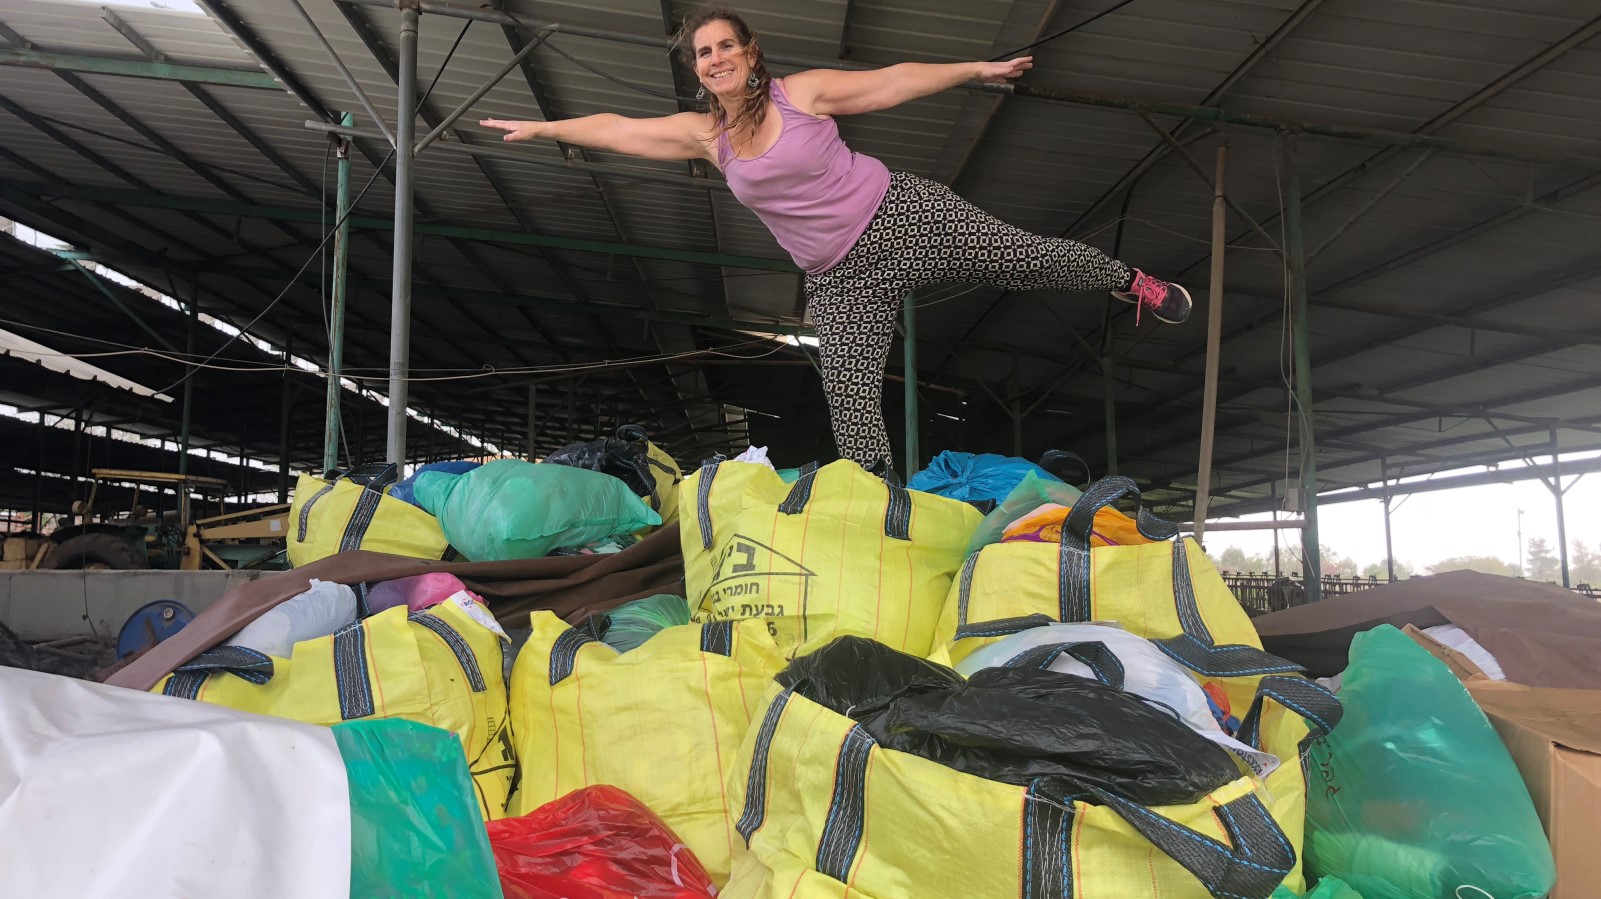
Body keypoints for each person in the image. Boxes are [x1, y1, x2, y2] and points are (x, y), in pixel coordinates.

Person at [483, 6, 1191, 471]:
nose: (714, 56)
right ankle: (885, 518)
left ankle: (1133, 283)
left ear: (750, 52)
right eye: (702, 52)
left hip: (900, 216)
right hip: (839, 277)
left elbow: (890, 84)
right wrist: (545, 129)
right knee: (850, 407)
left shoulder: (802, 94)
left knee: (1024, 257)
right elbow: (617, 129)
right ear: (696, 68)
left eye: (725, 44)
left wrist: (976, 69)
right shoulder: (707, 136)